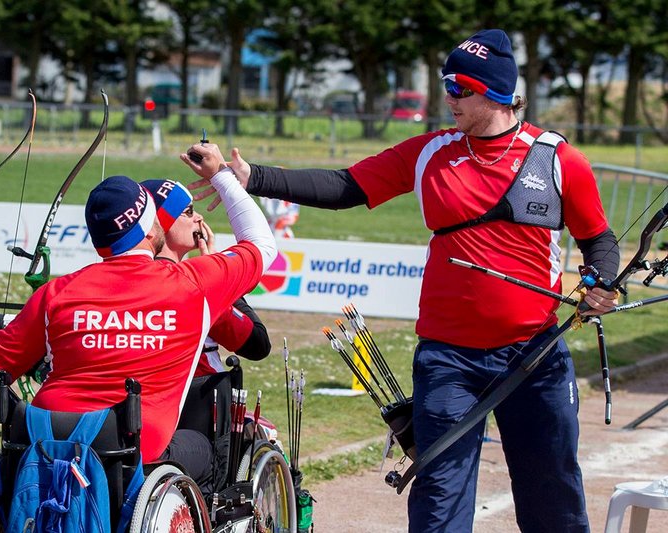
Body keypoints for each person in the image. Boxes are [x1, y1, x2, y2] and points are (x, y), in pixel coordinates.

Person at [182, 29, 620, 533]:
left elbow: (600, 239)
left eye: (460, 88)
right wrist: (250, 176)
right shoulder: (431, 151)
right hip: (450, 360)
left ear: (497, 94)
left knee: (554, 498)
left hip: (535, 356)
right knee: (439, 503)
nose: (448, 98)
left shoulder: (558, 159)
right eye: (447, 86)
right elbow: (347, 185)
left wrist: (600, 281)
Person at [0, 155, 277, 497]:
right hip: (132, 452)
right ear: (150, 230)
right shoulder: (195, 282)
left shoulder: (56, 293)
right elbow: (262, 244)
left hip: (48, 442)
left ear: (100, 243)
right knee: (207, 450)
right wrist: (223, 178)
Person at [140, 178, 271, 376]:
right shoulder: (193, 285)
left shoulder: (139, 274)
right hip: (200, 400)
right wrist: (217, 277)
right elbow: (258, 344)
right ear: (161, 226)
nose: (199, 218)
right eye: (188, 212)